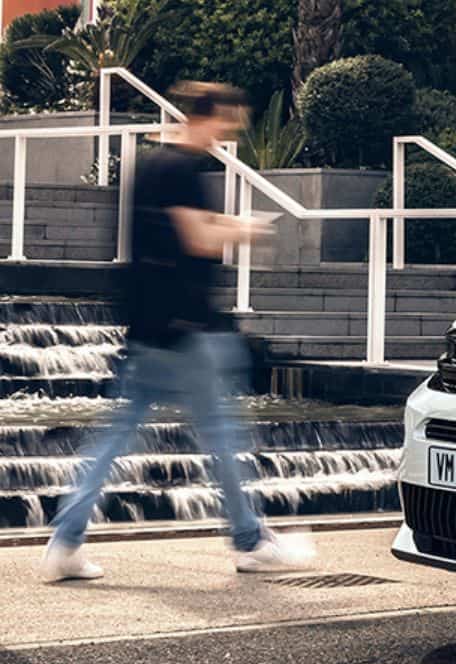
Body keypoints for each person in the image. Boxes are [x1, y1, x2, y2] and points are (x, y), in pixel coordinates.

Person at [39, 82, 315, 581]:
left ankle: (65, 539)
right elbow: (198, 238)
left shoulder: (149, 168)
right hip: (188, 334)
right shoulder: (183, 170)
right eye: (229, 123)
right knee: (223, 437)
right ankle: (250, 540)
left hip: (149, 326)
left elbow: (166, 233)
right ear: (207, 117)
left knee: (116, 436)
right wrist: (245, 228)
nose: (229, 134)